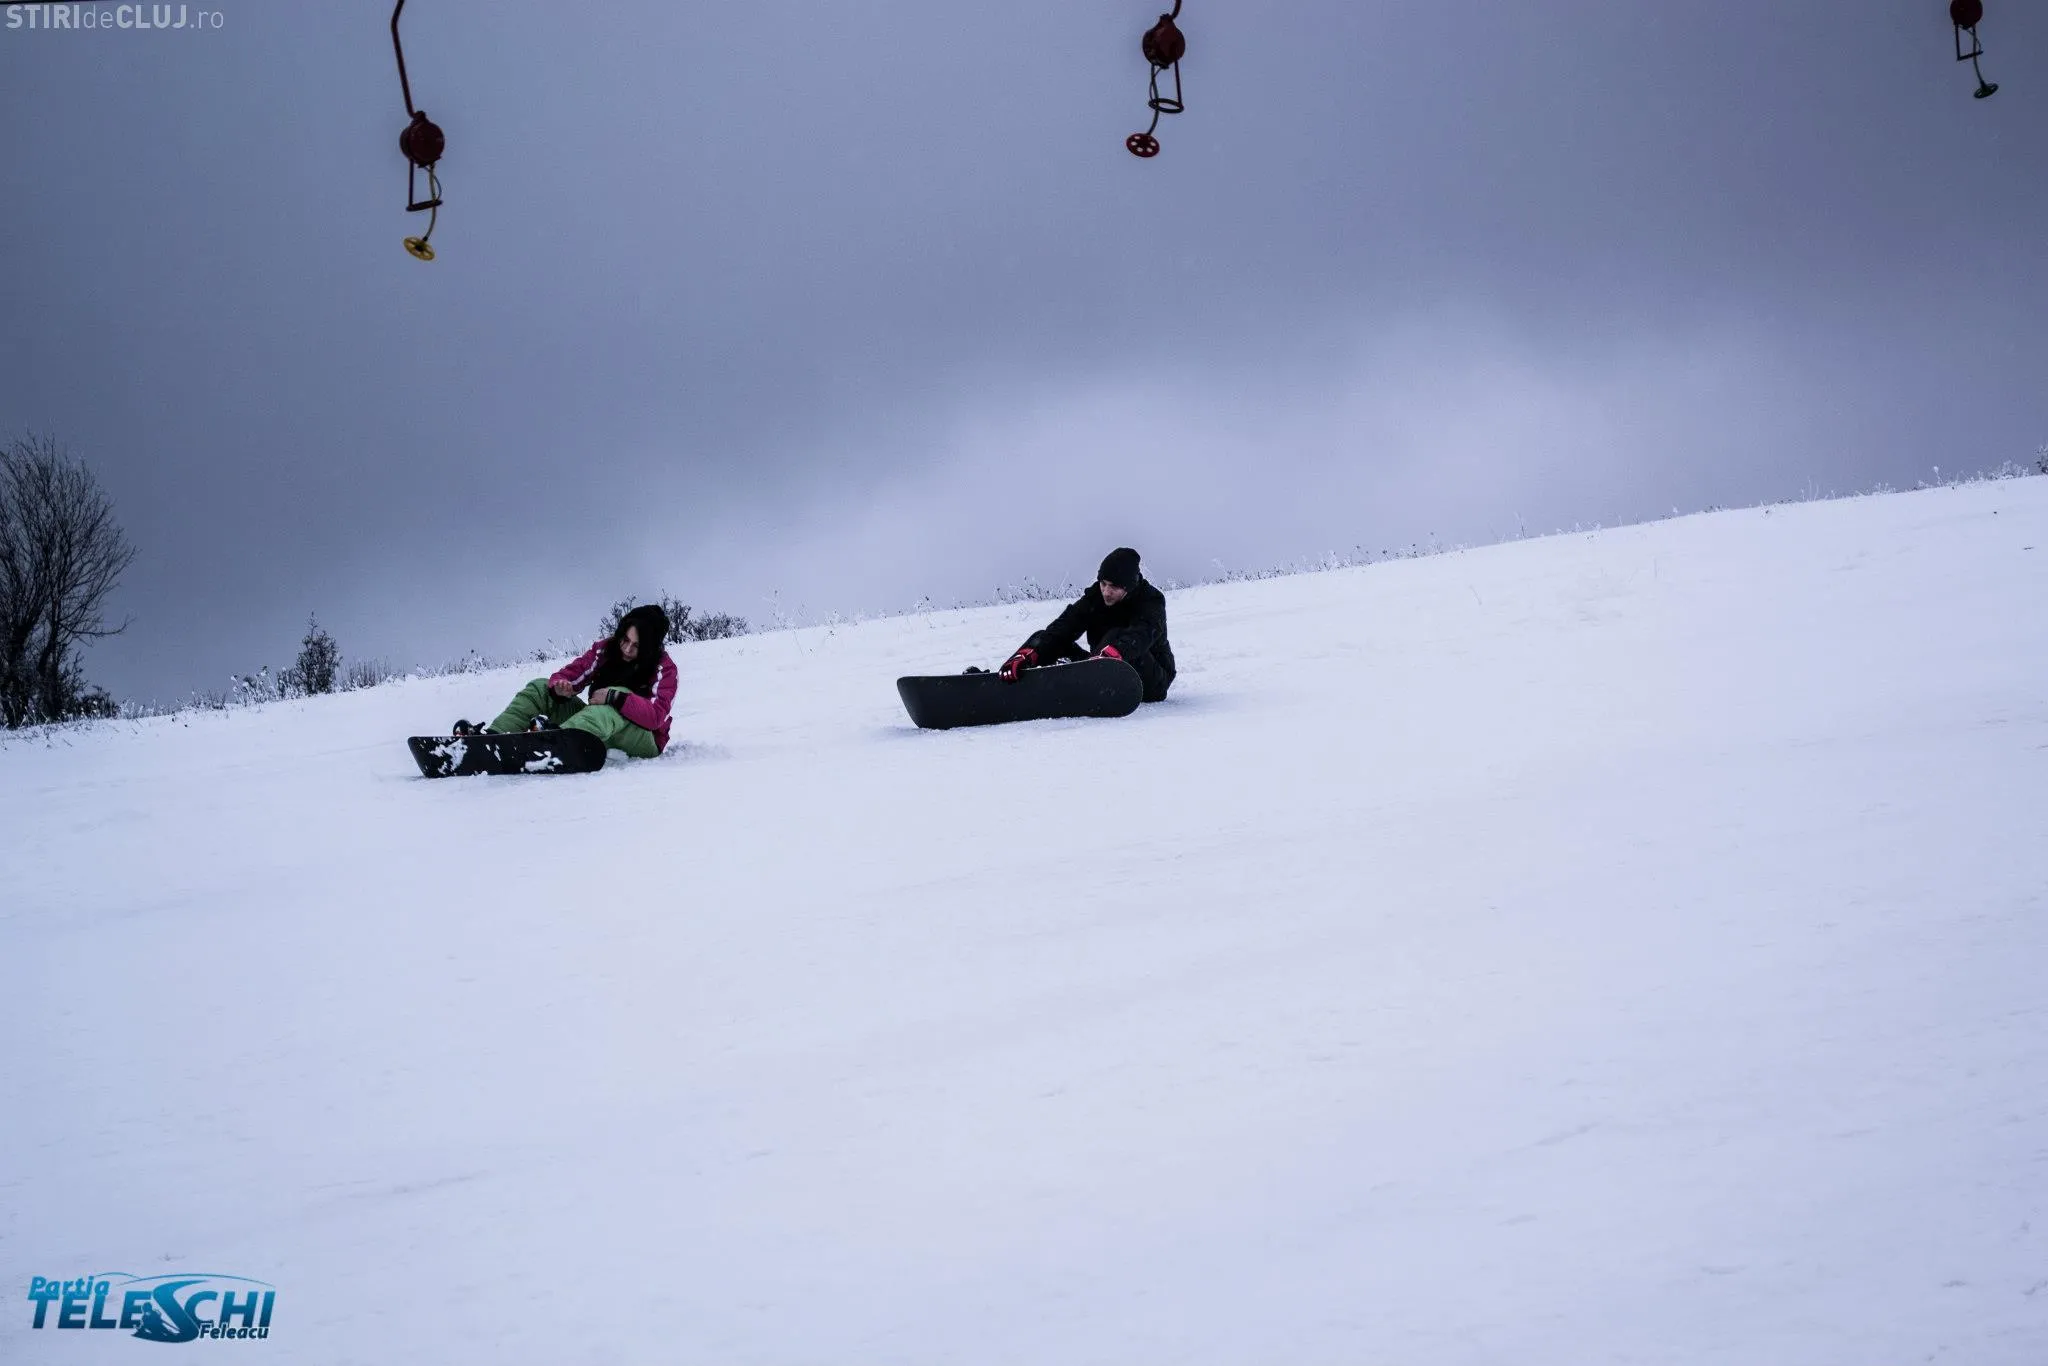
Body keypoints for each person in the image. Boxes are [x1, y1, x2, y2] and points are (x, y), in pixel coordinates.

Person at [452, 603, 679, 758]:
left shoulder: (664, 669)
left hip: (642, 739)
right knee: (540, 687)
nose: (627, 649)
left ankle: (553, 744)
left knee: (612, 701)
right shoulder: (606, 650)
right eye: (625, 640)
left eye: (636, 646)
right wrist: (560, 687)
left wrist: (614, 697)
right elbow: (571, 674)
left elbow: (655, 717)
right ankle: (491, 741)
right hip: (595, 726)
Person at [1000, 547, 1176, 702]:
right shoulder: (1094, 598)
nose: (1106, 592)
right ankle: (1016, 676)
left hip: (1151, 680)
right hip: (1099, 668)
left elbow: (1143, 633)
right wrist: (1031, 652)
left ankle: (1091, 675)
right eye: (1103, 584)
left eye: (1114, 587)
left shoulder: (1151, 600)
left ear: (1128, 587)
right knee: (1045, 639)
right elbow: (1064, 626)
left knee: (1116, 634)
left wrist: (1115, 653)